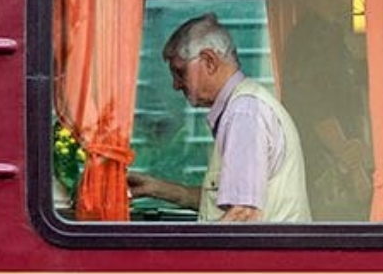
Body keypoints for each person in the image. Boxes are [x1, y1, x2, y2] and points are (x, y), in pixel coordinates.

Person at [126, 14, 311, 222]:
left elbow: (243, 213)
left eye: (180, 72)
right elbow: (223, 203)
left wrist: (196, 254)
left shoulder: (244, 112)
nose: (175, 85)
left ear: (209, 61)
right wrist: (156, 189)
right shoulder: (244, 106)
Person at [278, 0, 374, 220]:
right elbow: (316, 105)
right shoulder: (312, 39)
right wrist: (354, 169)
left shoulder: (331, 35)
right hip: (330, 178)